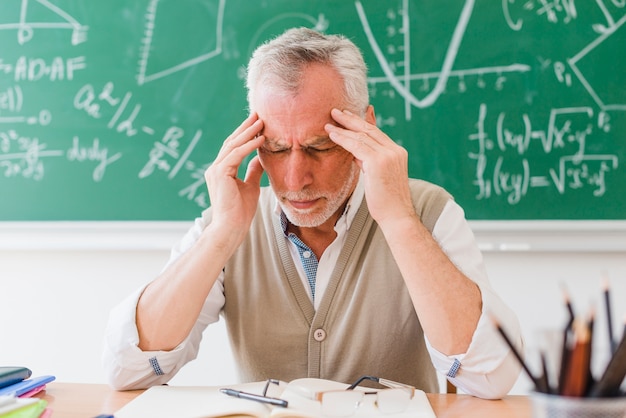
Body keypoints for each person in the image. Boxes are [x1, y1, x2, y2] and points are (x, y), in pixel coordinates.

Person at [103, 27, 522, 399]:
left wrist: (398, 221)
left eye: (320, 147)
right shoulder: (229, 222)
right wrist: (222, 234)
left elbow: (492, 377)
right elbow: (127, 370)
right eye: (276, 148)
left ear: (366, 129)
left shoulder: (428, 211)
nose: (295, 178)